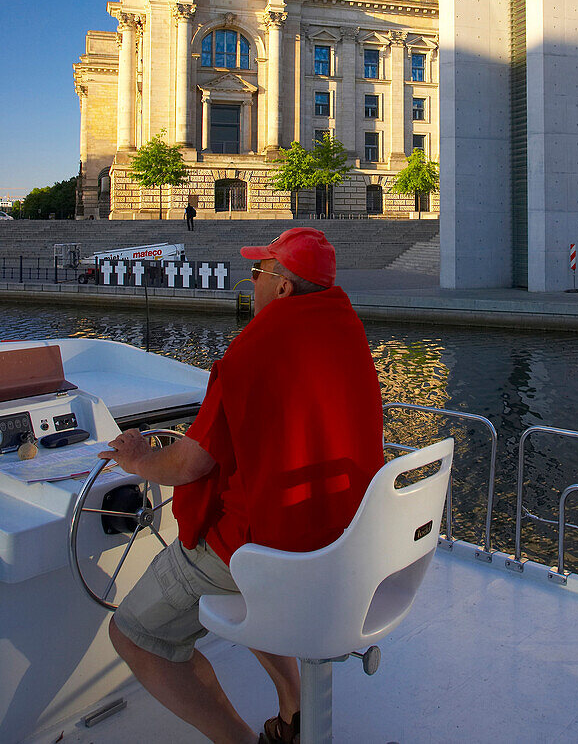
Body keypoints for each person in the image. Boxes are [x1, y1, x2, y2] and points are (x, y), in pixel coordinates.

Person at [101, 227, 384, 744]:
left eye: (258, 270)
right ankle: (294, 707)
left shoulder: (252, 352)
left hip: (266, 550)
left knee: (133, 634)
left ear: (282, 288)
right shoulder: (347, 330)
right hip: (341, 538)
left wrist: (139, 460)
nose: (248, 280)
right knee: (250, 583)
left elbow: (189, 465)